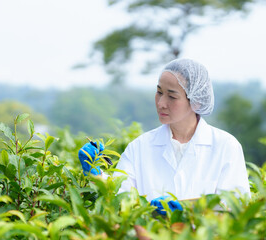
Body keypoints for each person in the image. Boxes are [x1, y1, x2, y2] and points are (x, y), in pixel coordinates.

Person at [79, 58, 250, 215]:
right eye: (159, 92)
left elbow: (236, 207)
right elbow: (120, 198)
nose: (161, 103)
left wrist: (186, 213)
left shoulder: (226, 146)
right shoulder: (139, 147)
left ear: (196, 101)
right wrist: (97, 174)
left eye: (172, 96)